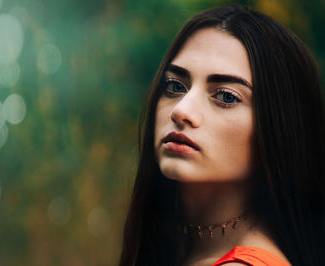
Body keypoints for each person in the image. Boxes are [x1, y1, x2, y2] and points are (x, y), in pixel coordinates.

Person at [119, 4, 325, 266]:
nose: (181, 111)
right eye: (175, 86)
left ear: (277, 129)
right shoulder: (181, 247)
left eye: (226, 97)